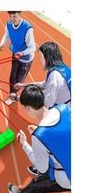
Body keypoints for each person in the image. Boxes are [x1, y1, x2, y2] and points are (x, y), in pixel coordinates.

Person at [7, 84, 71, 193]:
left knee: (43, 182)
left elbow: (42, 168)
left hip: (66, 176)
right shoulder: (63, 108)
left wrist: (24, 143)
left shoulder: (39, 136)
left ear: (28, 109)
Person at [14, 41, 71, 176]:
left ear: (48, 57)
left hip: (61, 111)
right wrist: (25, 84)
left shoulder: (55, 76)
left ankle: (44, 167)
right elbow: (44, 84)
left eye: (41, 57)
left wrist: (22, 98)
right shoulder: (60, 69)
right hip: (66, 108)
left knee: (47, 138)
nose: (40, 60)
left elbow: (47, 101)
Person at [0, 11, 36, 105]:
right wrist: (2, 43)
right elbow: (6, 34)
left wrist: (22, 53)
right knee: (12, 77)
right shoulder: (9, 23)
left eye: (14, 16)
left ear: (20, 14)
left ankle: (14, 95)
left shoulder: (27, 28)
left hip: (26, 59)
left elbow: (32, 48)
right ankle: (12, 95)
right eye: (10, 16)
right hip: (15, 55)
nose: (12, 18)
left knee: (19, 80)